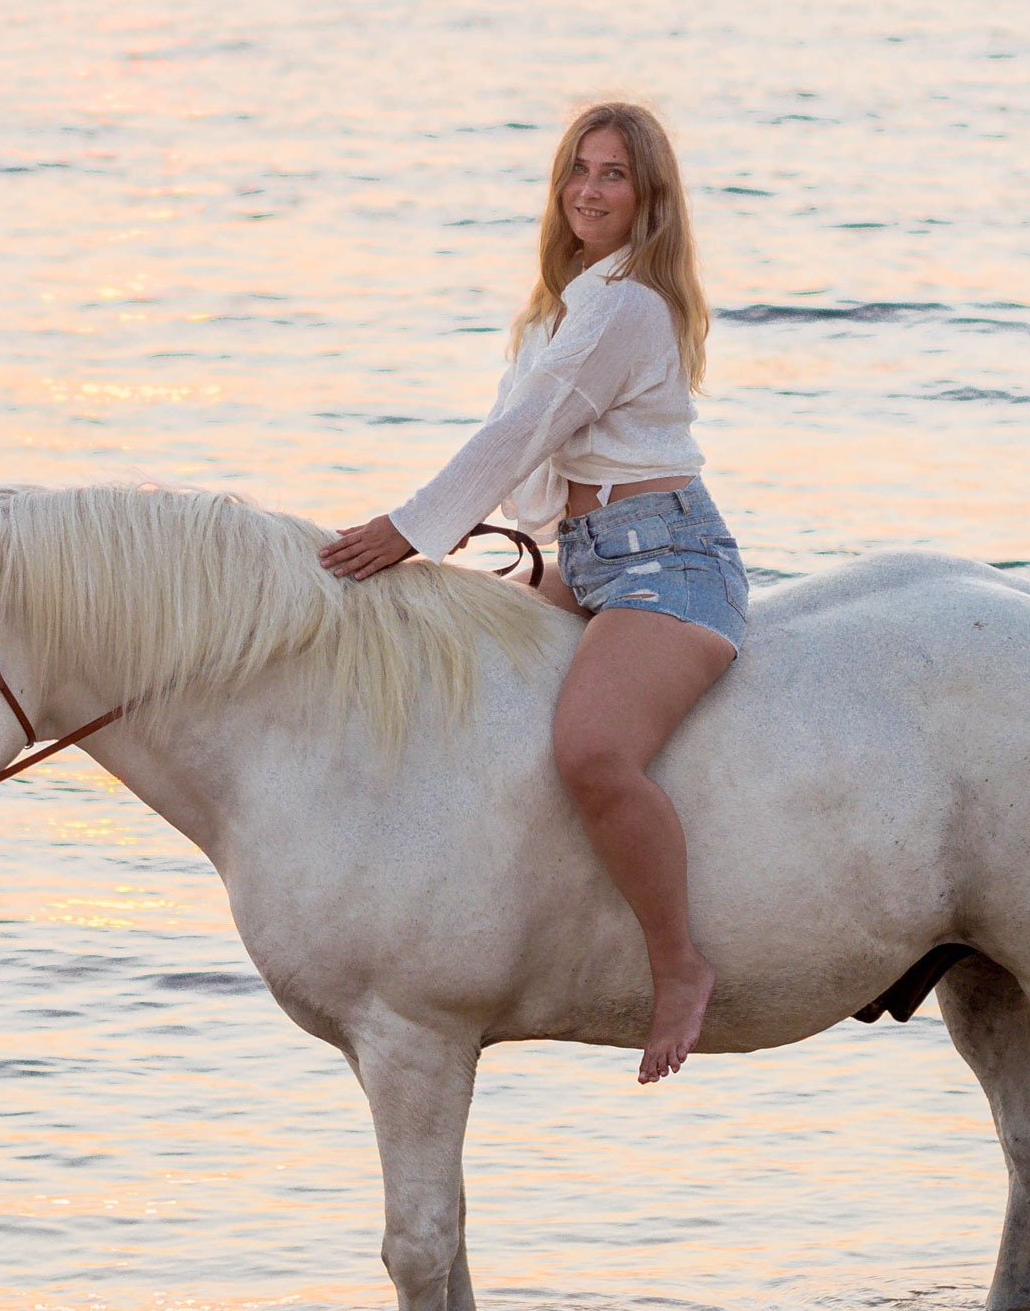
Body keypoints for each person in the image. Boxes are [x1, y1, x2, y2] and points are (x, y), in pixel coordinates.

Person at [320, 102, 748, 1084]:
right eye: (578, 171)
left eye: (614, 175)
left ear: (650, 200)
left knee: (592, 752)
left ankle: (679, 965)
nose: (590, 190)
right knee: (439, 666)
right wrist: (435, 545)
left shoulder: (628, 305)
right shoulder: (570, 302)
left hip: (671, 564)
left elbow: (524, 433)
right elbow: (524, 441)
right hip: (592, 557)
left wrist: (406, 529)